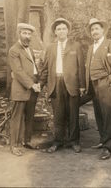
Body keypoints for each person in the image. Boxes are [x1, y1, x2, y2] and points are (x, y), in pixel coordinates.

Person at [40, 18, 85, 153]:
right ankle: (58, 141)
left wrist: (82, 85)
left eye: (64, 28)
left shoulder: (76, 46)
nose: (61, 31)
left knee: (73, 114)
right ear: (55, 31)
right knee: (58, 114)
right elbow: (46, 68)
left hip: (72, 84)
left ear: (68, 31)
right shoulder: (50, 48)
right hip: (56, 83)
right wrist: (41, 84)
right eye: (58, 29)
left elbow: (81, 67)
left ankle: (74, 141)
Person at [86, 18, 111, 160]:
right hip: (93, 85)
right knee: (99, 114)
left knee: (108, 115)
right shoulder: (91, 47)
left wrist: (110, 80)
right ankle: (103, 140)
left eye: (97, 28)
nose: (94, 31)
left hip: (106, 83)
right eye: (92, 29)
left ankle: (108, 148)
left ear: (103, 30)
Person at [8, 23, 41, 156]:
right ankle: (14, 145)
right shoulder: (14, 50)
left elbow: (33, 68)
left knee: (29, 117)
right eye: (24, 33)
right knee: (17, 118)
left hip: (33, 88)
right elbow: (18, 71)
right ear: (19, 34)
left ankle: (27, 141)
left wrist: (38, 83)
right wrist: (31, 84)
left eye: (29, 34)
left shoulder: (30, 49)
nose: (27, 36)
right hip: (21, 89)